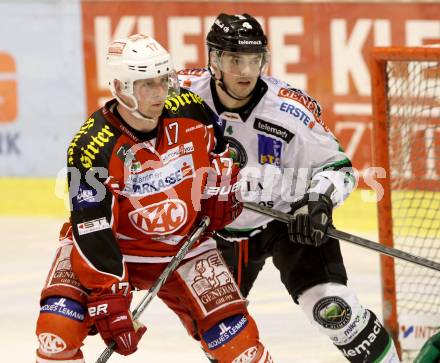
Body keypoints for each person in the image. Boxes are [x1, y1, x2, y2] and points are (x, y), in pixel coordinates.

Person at [35, 33, 274, 363]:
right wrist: (109, 295)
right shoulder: (91, 146)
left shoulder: (191, 110)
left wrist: (221, 189)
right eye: (147, 84)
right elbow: (91, 227)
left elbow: (223, 152)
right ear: (120, 88)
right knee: (55, 332)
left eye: (163, 80)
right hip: (112, 250)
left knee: (241, 347)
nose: (160, 93)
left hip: (183, 246)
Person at [178, 13, 400, 363]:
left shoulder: (289, 110)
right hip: (214, 228)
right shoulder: (180, 97)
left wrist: (317, 202)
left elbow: (337, 167)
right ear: (214, 59)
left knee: (334, 310)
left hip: (286, 219)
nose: (246, 71)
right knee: (222, 336)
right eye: (235, 59)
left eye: (254, 60)